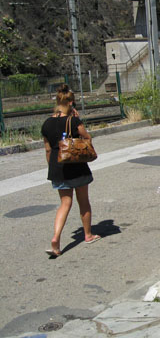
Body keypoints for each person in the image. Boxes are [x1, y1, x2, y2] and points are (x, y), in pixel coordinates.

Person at [41, 85, 100, 257]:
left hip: (57, 168)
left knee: (65, 203)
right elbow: (87, 138)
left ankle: (56, 238)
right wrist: (78, 121)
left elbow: (47, 149)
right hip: (77, 166)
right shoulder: (73, 121)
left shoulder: (46, 124)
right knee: (83, 201)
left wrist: (52, 167)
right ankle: (88, 235)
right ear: (71, 102)